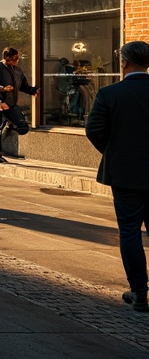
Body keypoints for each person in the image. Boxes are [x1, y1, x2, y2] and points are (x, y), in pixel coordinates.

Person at [85, 41, 149, 313]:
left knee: (130, 231)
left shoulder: (110, 93)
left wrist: (115, 153)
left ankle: (139, 293)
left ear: (124, 63)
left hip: (125, 174)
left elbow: (94, 130)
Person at [0, 46, 39, 163]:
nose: (17, 60)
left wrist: (33, 91)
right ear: (7, 58)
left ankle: (10, 125)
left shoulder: (17, 70)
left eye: (18, 58)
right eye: (15, 58)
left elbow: (23, 86)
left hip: (12, 103)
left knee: (23, 127)